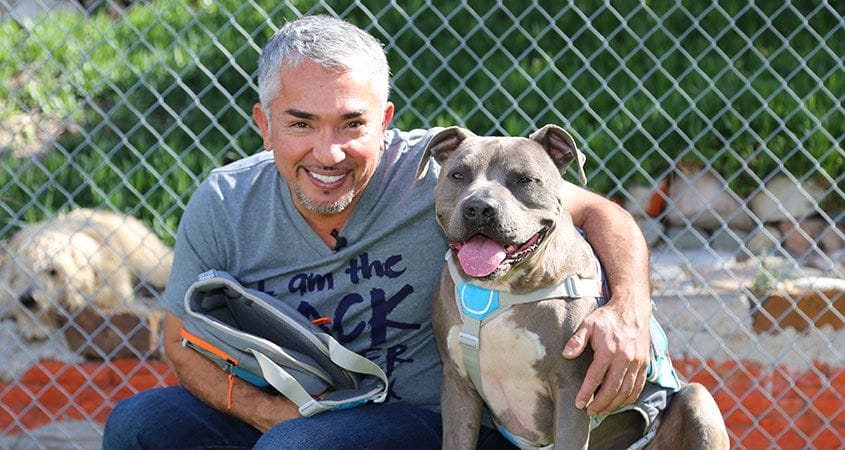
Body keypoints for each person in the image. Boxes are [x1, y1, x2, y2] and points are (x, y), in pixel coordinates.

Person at [103, 15, 654, 449]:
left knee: (299, 448)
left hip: (422, 417)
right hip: (291, 405)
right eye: (300, 123)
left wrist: (628, 307)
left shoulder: (444, 172)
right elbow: (179, 341)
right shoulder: (225, 202)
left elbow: (600, 213)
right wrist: (267, 413)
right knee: (137, 424)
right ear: (263, 125)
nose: (329, 152)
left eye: (352, 123)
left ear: (385, 120)